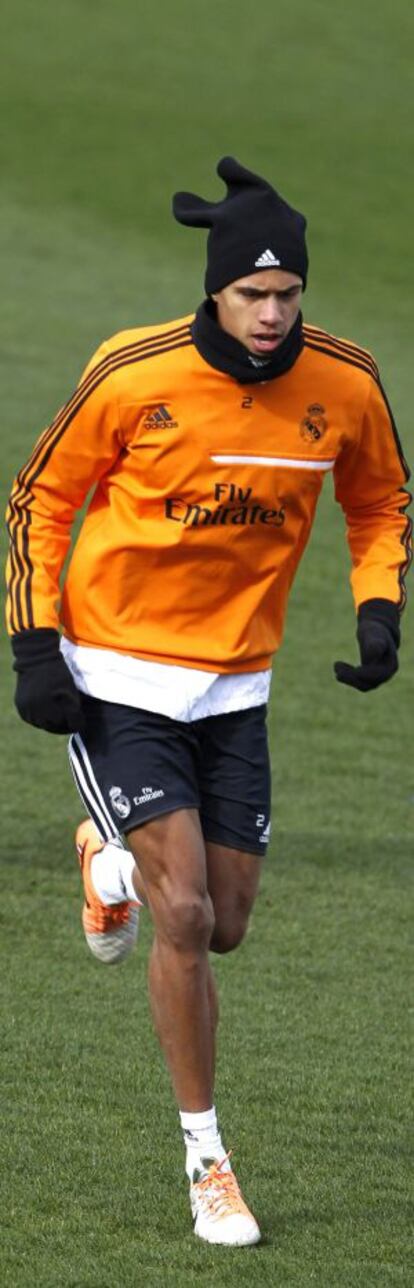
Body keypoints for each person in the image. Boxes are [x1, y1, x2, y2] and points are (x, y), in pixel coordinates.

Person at [5, 157, 411, 1247]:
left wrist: (380, 609)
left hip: (236, 685)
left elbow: (380, 499)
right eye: (254, 295)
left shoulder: (348, 383)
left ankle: (104, 855)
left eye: (289, 295)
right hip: (115, 672)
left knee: (225, 925)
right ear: (217, 290)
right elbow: (41, 496)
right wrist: (34, 645)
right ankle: (207, 1159)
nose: (275, 315)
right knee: (179, 914)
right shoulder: (131, 374)